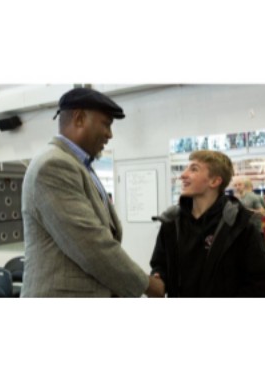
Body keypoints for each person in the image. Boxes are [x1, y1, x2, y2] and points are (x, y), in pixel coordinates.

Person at [21, 87, 164, 297]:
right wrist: (148, 285)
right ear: (79, 118)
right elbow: (91, 246)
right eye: (106, 124)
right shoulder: (53, 166)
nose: (110, 134)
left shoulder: (81, 166)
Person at [149, 150, 265, 297]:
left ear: (215, 181)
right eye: (186, 168)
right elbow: (160, 263)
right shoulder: (171, 221)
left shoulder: (242, 224)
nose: (183, 175)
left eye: (194, 169)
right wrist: (159, 275)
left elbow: (261, 281)